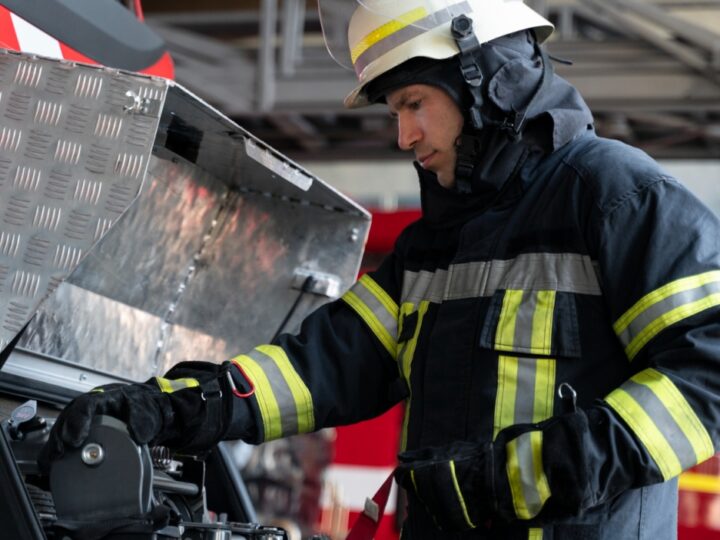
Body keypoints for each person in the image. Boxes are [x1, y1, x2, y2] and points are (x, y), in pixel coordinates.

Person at [43, 0, 720, 538]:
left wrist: (532, 473)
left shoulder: (616, 197)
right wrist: (173, 407)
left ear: (482, 78)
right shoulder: (437, 245)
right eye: (396, 113)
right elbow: (323, 365)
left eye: (413, 104)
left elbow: (709, 370)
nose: (404, 137)